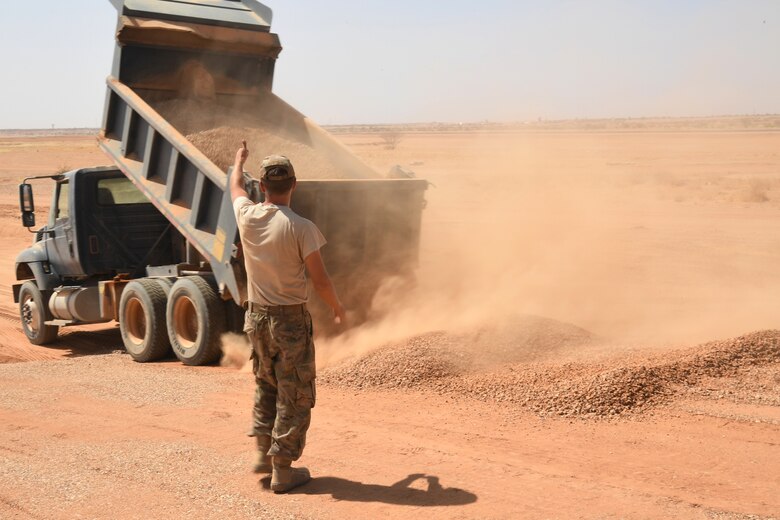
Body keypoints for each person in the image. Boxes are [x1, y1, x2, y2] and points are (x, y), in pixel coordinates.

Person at [229, 141, 346, 493]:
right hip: (290, 322)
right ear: (294, 185)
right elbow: (320, 279)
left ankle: (262, 454)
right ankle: (282, 470)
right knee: (294, 393)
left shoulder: (246, 216)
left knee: (266, 383)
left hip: (257, 319)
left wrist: (238, 160)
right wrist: (336, 306)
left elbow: (235, 186)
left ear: (261, 186)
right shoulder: (301, 227)